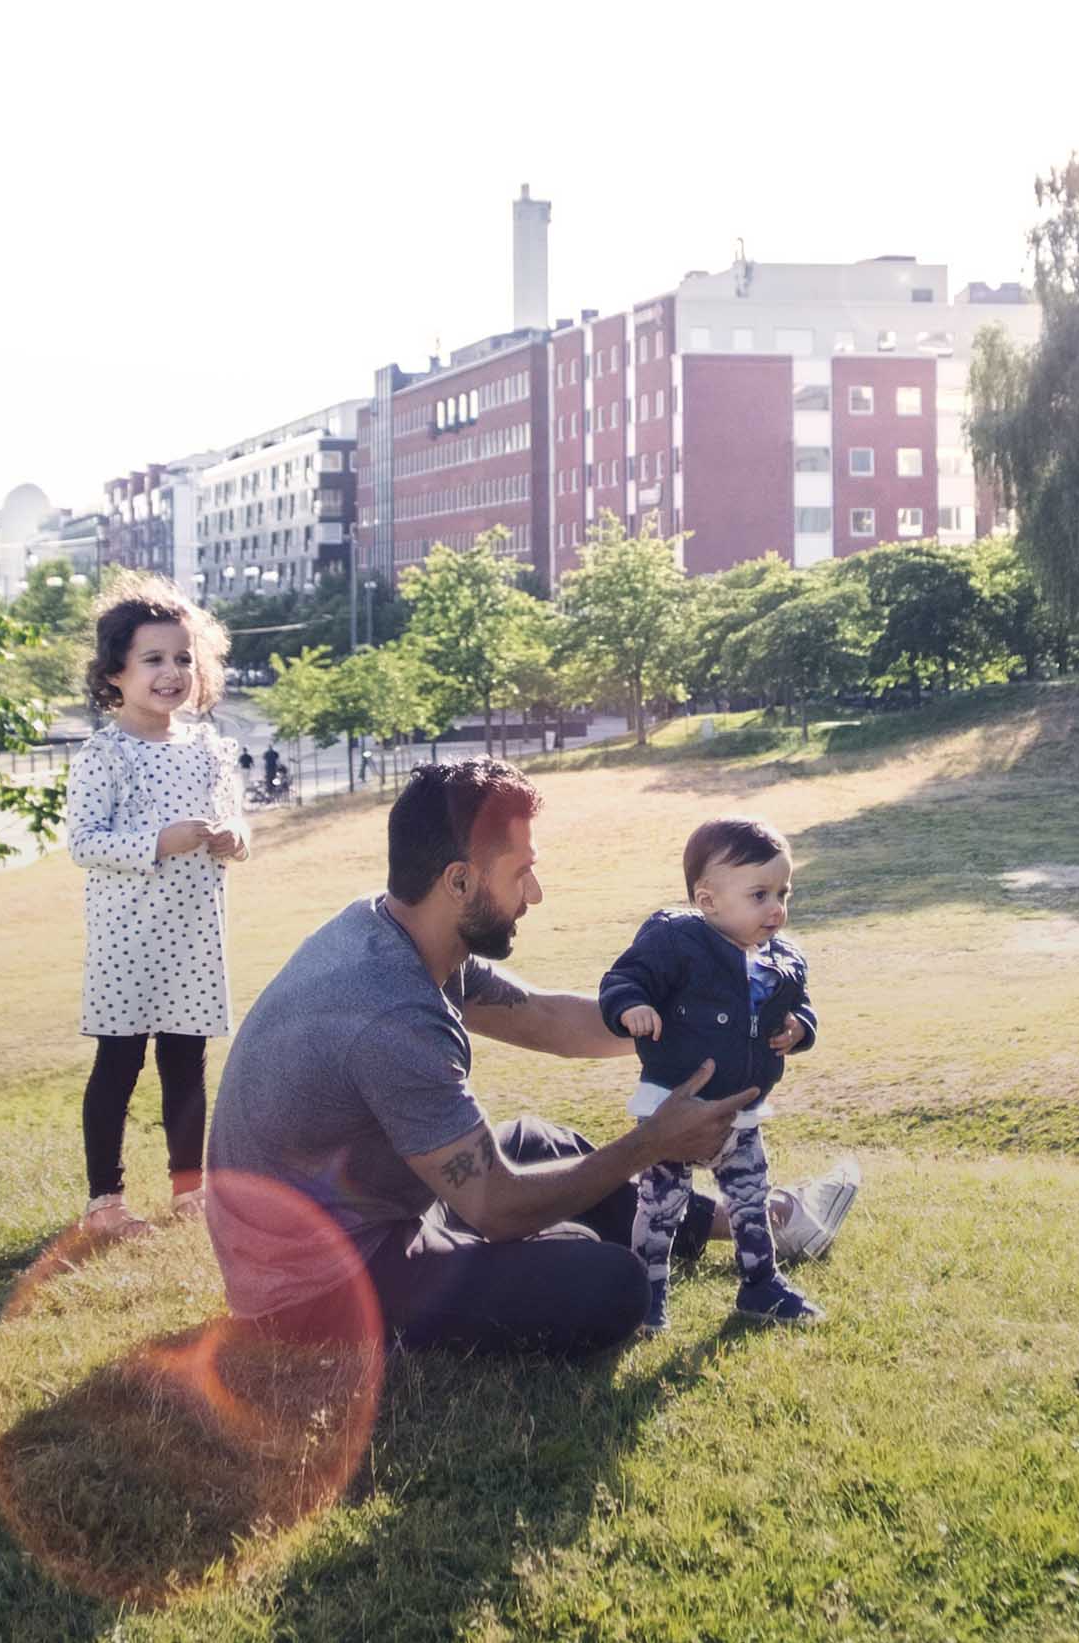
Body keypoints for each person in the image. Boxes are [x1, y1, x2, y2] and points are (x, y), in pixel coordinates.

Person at [203, 757, 862, 1359]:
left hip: (363, 1212)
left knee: (540, 1142)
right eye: (521, 873)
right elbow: (495, 1205)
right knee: (608, 1284)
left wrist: (703, 1027)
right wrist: (649, 1141)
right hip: (320, 1288)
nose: (536, 895)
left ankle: (761, 1220)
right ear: (459, 881)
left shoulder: (397, 929)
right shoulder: (390, 1012)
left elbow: (546, 1017)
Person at [602, 816, 843, 1330]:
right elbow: (625, 978)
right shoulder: (676, 941)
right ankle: (647, 1296)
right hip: (673, 1110)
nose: (776, 909)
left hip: (741, 1112)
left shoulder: (784, 960)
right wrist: (631, 1007)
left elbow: (801, 1006)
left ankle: (761, 1286)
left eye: (784, 892)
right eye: (759, 895)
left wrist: (800, 1028)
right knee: (660, 1207)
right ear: (708, 901)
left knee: (750, 1203)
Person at [63, 578, 248, 1241]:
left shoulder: (209, 750)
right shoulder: (104, 755)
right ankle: (105, 1203)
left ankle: (189, 1191)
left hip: (194, 939)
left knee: (186, 1066)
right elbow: (84, 842)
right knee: (118, 1065)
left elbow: (237, 827)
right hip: (127, 940)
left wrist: (233, 840)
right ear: (115, 672)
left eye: (183, 659)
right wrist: (156, 844)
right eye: (153, 660)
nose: (172, 672)